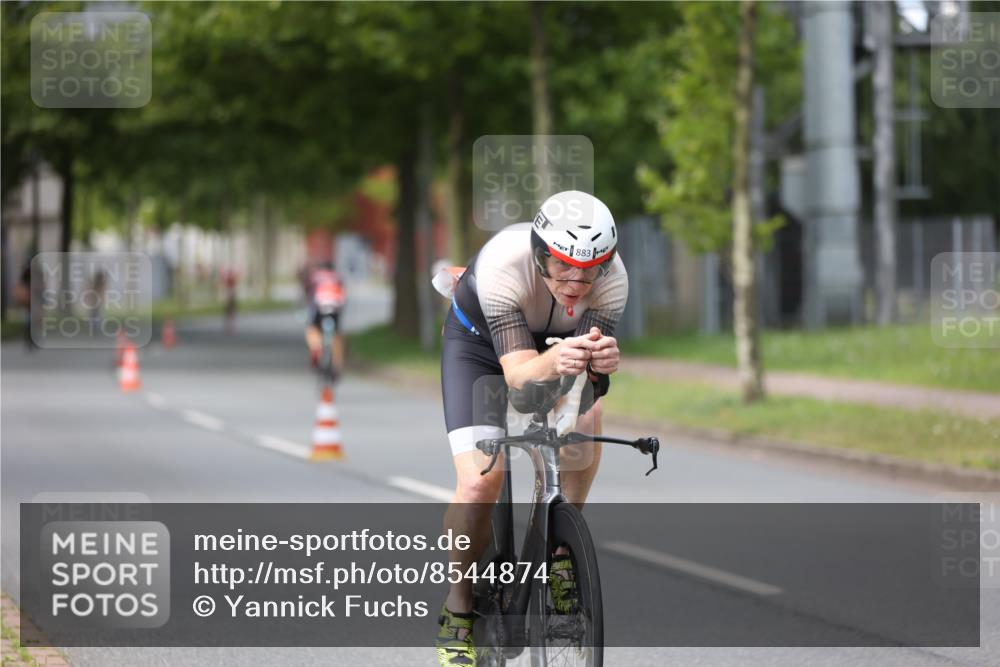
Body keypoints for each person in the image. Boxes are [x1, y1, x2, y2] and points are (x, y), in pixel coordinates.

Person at [435, 190, 627, 666]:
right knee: (480, 483)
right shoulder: (504, 263)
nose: (578, 282)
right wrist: (557, 362)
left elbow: (585, 385)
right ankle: (457, 611)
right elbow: (517, 378)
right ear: (540, 253)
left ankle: (561, 551)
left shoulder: (615, 279)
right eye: (563, 265)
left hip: (552, 345)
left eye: (592, 268)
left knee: (585, 421)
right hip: (480, 347)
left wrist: (600, 366)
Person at [304, 261, 347, 377]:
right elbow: (343, 295)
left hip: (319, 307)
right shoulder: (337, 277)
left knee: (312, 329)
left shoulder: (315, 276)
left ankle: (316, 348)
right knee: (337, 335)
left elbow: (308, 293)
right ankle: (338, 364)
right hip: (335, 308)